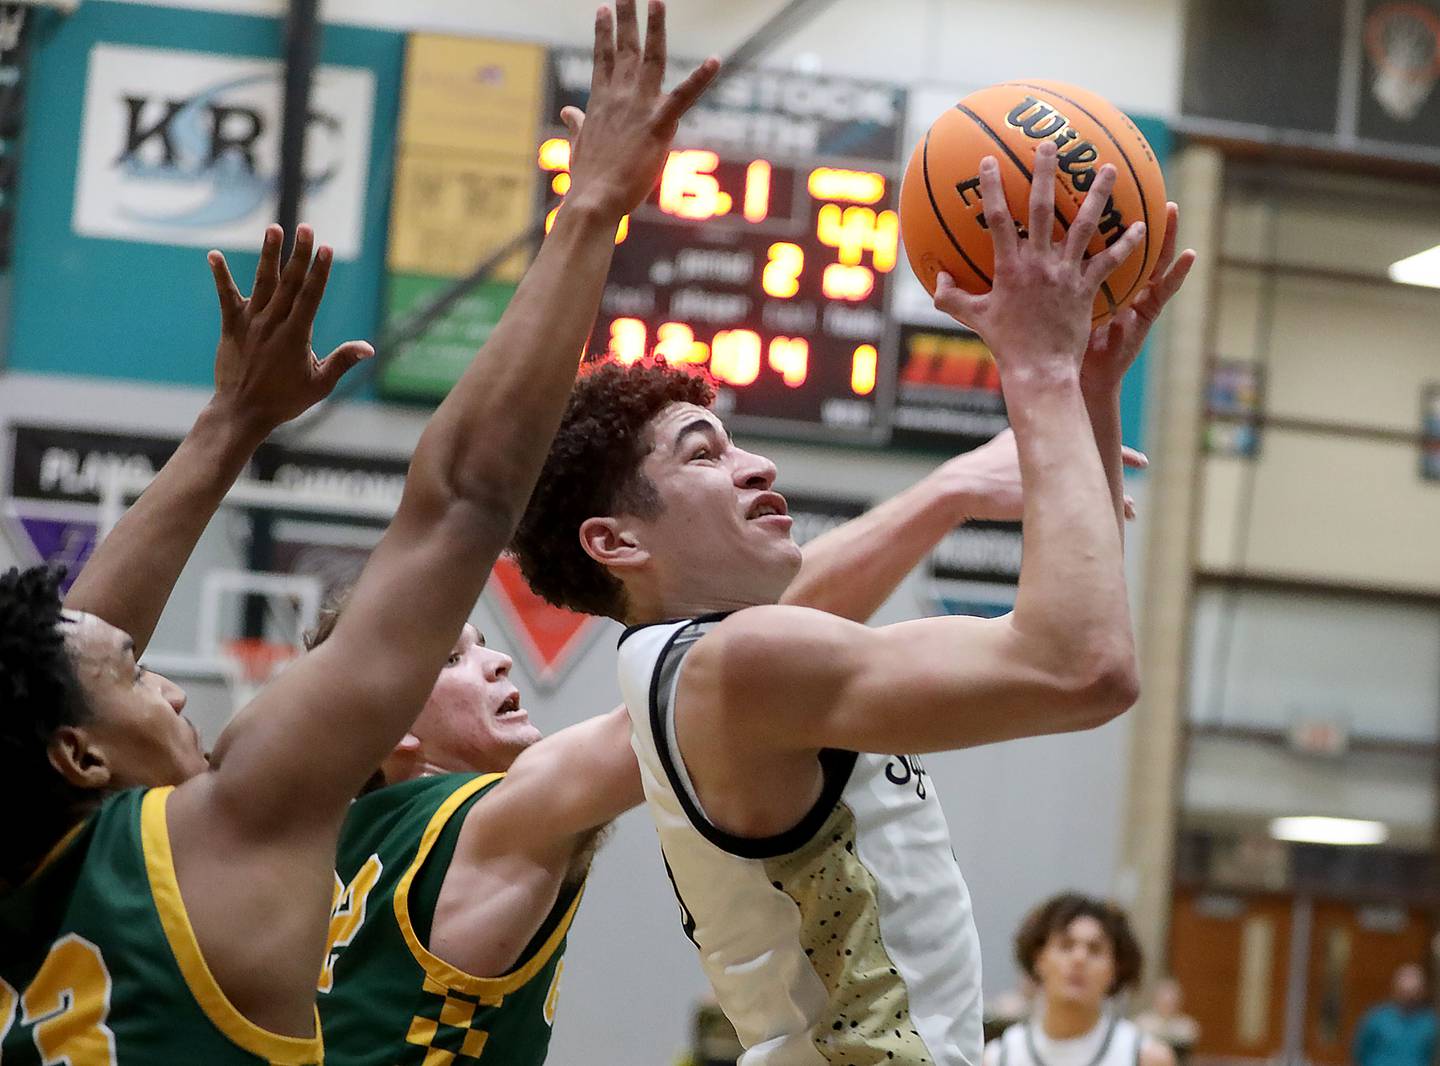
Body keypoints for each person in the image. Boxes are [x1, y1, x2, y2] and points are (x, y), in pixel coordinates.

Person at [0, 1, 719, 1056]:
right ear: (77, 752)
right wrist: (591, 205)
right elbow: (468, 499)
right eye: (138, 676)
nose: (171, 680)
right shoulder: (217, 838)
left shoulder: (24, 891)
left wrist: (229, 428)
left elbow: (64, 643)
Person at [511, 141, 1196, 1066]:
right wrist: (1036, 373)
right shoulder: (738, 666)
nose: (757, 465)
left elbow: (1073, 633)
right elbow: (1084, 668)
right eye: (704, 454)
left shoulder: (708, 663)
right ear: (618, 541)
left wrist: (1087, 394)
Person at [309, 425, 1141, 1066]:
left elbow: (739, 659)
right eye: (450, 659)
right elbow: (728, 674)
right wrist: (949, 489)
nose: (490, 656)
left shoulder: (297, 848)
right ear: (385, 720)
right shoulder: (480, 821)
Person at [983, 894, 1176, 1066]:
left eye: (1094, 949)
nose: (1079, 959)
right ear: (1039, 959)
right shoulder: (999, 1057)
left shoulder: (1146, 1057)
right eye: (1066, 946)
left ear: (1115, 968)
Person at [1353, 963, 1436, 1066]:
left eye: (1413, 994)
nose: (1409, 999)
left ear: (1422, 992)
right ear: (1396, 990)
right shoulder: (1376, 1018)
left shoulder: (1430, 1023)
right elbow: (1360, 1051)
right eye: (1405, 993)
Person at [1134, 977, 1199, 1062]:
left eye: (1172, 999)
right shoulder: (1142, 1022)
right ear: (1156, 999)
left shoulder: (1187, 1024)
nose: (1168, 1002)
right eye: (1164, 998)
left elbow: (1189, 1038)